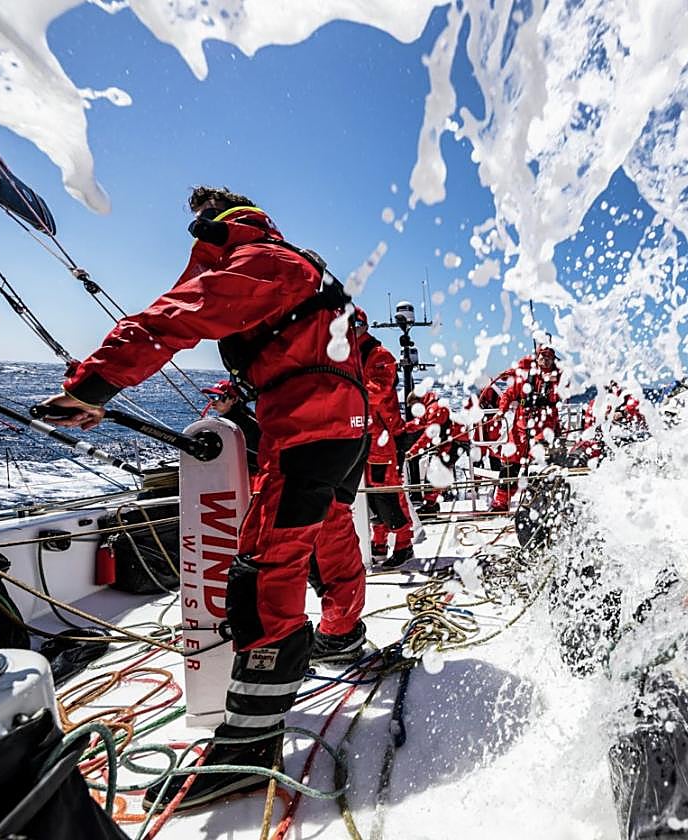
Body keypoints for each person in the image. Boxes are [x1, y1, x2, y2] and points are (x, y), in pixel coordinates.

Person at [38, 186, 369, 811]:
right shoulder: (307, 271)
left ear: (219, 229)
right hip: (340, 431)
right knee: (322, 544)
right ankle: (341, 637)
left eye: (199, 231)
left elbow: (179, 316)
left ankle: (248, 748)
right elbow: (338, 353)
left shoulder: (263, 263)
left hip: (304, 434)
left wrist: (94, 385)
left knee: (263, 575)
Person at [353, 307, 414, 568]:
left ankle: (404, 544)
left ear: (364, 325)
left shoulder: (380, 355)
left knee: (386, 491)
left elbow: (375, 392)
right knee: (365, 493)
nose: (350, 329)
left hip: (382, 438)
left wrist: (343, 398)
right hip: (357, 434)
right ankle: (378, 542)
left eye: (355, 323)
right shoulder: (343, 355)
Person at [489, 345, 561, 512]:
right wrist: (501, 411)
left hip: (544, 426)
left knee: (538, 463)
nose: (545, 359)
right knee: (509, 463)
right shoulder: (524, 377)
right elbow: (508, 394)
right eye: (542, 355)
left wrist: (554, 382)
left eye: (549, 356)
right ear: (537, 357)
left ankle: (535, 504)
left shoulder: (558, 378)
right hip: (521, 426)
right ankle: (501, 502)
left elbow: (565, 392)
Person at [403, 390, 469, 516]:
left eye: (413, 406)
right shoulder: (432, 407)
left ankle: (430, 506)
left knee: (436, 472)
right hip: (451, 441)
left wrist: (412, 452)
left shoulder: (435, 409)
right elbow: (420, 423)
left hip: (456, 442)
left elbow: (428, 434)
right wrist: (403, 428)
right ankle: (432, 503)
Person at [201, 379, 261, 473]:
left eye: (217, 397)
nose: (212, 401)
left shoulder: (247, 423)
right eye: (211, 397)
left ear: (233, 400)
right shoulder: (228, 420)